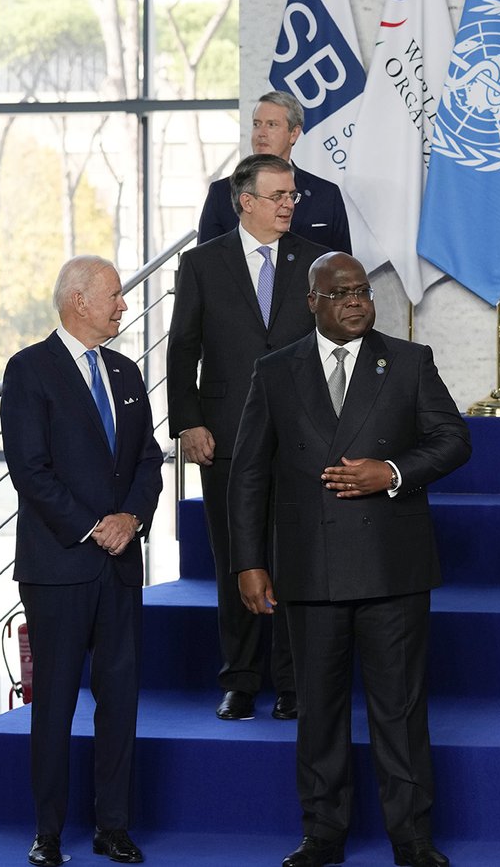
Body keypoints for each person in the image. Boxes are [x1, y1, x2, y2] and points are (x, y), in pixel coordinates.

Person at [229, 252, 470, 867]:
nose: (357, 301)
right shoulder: (275, 370)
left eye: (363, 290)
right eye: (340, 294)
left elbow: (453, 440)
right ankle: (323, 834)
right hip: (309, 567)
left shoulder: (409, 360)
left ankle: (412, 838)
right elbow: (249, 473)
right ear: (312, 301)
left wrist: (388, 472)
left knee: (401, 710)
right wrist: (249, 563)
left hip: (392, 565)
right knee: (319, 710)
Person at [1, 256, 163, 867]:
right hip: (60, 567)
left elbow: (148, 459)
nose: (124, 305)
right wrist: (95, 526)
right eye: (115, 296)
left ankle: (112, 828)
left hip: (119, 566)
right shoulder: (29, 370)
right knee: (56, 705)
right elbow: (30, 472)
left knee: (120, 704)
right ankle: (48, 833)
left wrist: (133, 520)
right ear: (78, 301)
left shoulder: (124, 370)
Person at [169, 153, 328, 721]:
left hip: (297, 442)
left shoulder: (316, 263)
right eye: (280, 196)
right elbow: (182, 350)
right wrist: (188, 422)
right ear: (247, 202)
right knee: (236, 558)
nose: (290, 204)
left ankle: (290, 682)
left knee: (292, 561)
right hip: (225, 439)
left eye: (292, 197)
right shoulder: (202, 265)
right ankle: (239, 679)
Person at [198, 91, 352, 253]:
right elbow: (205, 264)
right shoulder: (222, 193)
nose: (261, 133)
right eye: (257, 124)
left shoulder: (326, 194)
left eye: (271, 125)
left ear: (294, 134)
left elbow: (342, 267)